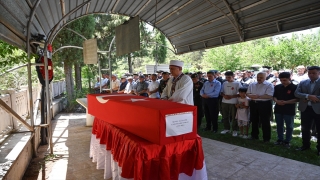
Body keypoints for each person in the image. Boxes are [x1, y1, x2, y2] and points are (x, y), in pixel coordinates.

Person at [294, 66, 320, 156]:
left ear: (318, 73)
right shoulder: (303, 82)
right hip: (305, 109)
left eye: (314, 73)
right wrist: (308, 96)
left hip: (318, 110)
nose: (311, 75)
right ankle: (305, 145)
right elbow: (296, 93)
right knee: (305, 128)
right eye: (310, 73)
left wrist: (314, 98)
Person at [247, 72, 274, 142]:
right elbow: (248, 93)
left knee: (265, 121)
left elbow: (269, 95)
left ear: (265, 77)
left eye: (261, 77)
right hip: (253, 103)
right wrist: (251, 96)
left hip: (264, 104)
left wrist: (258, 96)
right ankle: (254, 135)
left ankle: (266, 138)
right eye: (258, 77)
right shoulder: (252, 84)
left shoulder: (269, 85)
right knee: (254, 120)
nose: (259, 79)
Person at [273, 72, 298, 147]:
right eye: (281, 80)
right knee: (279, 124)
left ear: (289, 79)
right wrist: (276, 101)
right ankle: (280, 139)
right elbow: (274, 96)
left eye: (284, 80)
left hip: (289, 109)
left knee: (289, 126)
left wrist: (286, 102)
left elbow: (297, 99)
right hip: (278, 108)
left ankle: (287, 140)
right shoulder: (277, 87)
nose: (283, 82)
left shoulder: (295, 87)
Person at [220, 71, 241, 136]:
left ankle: (235, 130)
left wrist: (231, 96)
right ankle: (226, 128)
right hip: (224, 101)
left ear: (233, 76)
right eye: (226, 77)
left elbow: (240, 94)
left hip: (233, 102)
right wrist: (224, 96)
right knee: (225, 116)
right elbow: (221, 92)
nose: (227, 79)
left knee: (234, 116)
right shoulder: (224, 83)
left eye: (229, 77)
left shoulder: (237, 83)